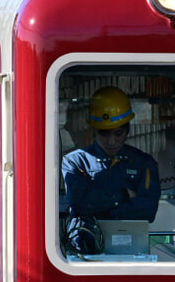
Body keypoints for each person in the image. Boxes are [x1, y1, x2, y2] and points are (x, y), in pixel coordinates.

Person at [61, 86, 160, 253]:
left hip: (131, 249)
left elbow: (148, 210)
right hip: (84, 249)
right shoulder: (75, 161)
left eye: (118, 134)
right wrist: (123, 195)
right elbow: (78, 204)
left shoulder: (143, 163)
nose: (112, 142)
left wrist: (98, 207)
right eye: (104, 134)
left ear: (128, 130)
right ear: (93, 131)